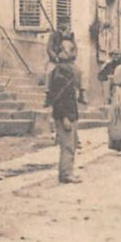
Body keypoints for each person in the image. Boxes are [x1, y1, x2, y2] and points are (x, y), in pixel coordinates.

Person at [48, 38, 83, 184]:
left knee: (72, 143)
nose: (69, 53)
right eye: (66, 50)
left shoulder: (68, 70)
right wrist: (65, 118)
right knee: (68, 145)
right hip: (64, 114)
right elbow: (59, 98)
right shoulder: (59, 73)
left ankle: (67, 172)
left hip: (71, 112)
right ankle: (66, 174)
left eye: (71, 49)